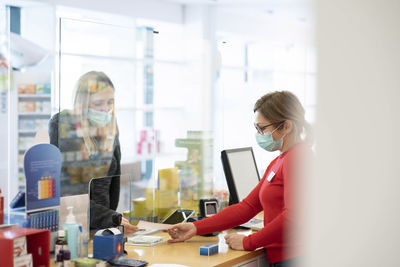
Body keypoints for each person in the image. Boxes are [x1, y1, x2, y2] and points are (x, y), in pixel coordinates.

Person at [165, 91, 312, 267]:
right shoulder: (281, 160)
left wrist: (248, 242)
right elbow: (248, 206)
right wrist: (196, 228)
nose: (259, 134)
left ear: (286, 126)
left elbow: (293, 217)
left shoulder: (298, 158)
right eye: (256, 128)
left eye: (262, 128)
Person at [49, 71, 138, 234]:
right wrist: (112, 218)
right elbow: (70, 196)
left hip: (105, 227)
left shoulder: (110, 127)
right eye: (98, 103)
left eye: (110, 102)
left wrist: (113, 221)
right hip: (75, 228)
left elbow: (113, 184)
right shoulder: (65, 125)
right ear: (82, 103)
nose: (106, 109)